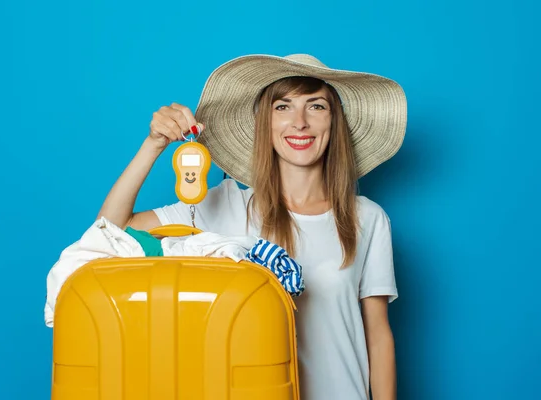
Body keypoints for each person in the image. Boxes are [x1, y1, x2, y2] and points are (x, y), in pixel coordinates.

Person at [97, 54, 407, 400]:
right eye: (283, 107)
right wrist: (153, 144)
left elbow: (378, 336)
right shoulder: (222, 205)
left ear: (334, 123)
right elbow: (110, 230)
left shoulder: (367, 217)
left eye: (316, 107)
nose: (300, 122)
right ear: (264, 123)